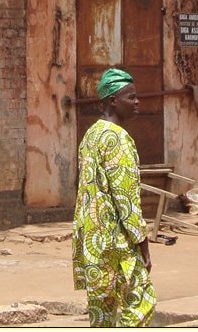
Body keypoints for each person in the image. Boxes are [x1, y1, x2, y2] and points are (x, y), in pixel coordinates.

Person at [72, 68, 156, 327]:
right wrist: (143, 245)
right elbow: (126, 199)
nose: (136, 102)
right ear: (112, 101)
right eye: (130, 97)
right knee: (141, 303)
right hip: (116, 242)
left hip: (91, 239)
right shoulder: (118, 140)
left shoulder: (91, 135)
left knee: (102, 313)